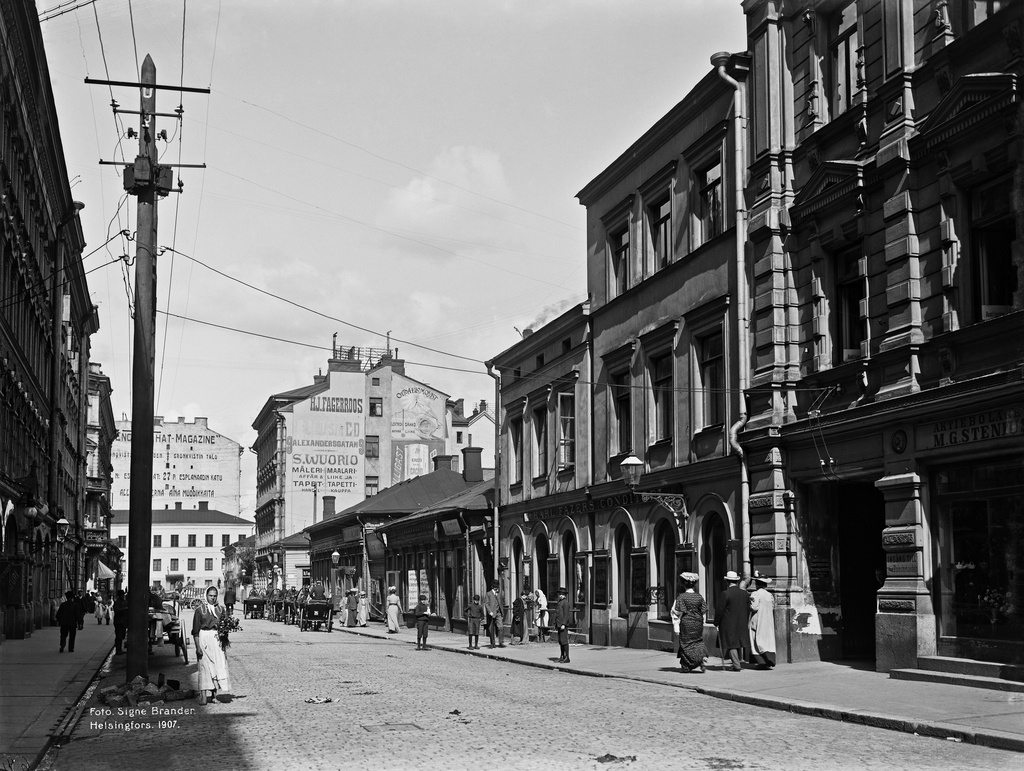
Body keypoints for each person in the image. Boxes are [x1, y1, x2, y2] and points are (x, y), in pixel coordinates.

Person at [192, 586, 231, 705]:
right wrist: (198, 647)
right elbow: (195, 631)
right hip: (204, 638)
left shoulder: (221, 609)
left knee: (217, 665)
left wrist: (224, 642)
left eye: (215, 596)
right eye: (210, 596)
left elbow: (225, 628)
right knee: (204, 667)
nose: (213, 598)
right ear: (206, 596)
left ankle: (215, 694)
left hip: (217, 640)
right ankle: (203, 695)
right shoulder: (200, 610)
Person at [671, 572, 709, 674]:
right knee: (697, 641)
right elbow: (704, 610)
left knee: (686, 644)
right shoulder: (699, 597)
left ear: (684, 584)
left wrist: (676, 626)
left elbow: (677, 611)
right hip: (697, 622)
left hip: (686, 622)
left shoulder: (681, 597)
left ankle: (686, 666)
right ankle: (701, 659)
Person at [715, 571, 751, 672]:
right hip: (741, 622)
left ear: (727, 581)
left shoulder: (725, 593)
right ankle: (737, 662)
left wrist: (716, 622)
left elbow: (720, 610)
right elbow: (748, 609)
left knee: (731, 643)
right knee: (737, 642)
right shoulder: (744, 594)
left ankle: (736, 664)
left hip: (728, 623)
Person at [748, 574, 776, 670]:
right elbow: (772, 607)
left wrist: (749, 604)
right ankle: (769, 658)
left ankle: (761, 661)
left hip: (758, 618)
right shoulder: (769, 595)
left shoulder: (756, 594)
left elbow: (754, 607)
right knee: (767, 639)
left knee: (755, 638)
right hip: (768, 620)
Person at [553, 587, 573, 663]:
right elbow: (557, 614)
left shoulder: (565, 603)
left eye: (562, 594)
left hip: (562, 625)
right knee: (560, 641)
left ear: (565, 595)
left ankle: (567, 657)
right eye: (560, 594)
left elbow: (566, 615)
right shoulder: (559, 602)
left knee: (564, 641)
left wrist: (564, 624)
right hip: (559, 624)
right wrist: (555, 623)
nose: (561, 595)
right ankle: (562, 656)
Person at [482, 580, 504, 648]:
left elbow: (501, 601)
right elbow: (486, 604)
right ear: (492, 587)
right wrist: (490, 611)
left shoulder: (499, 593)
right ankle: (492, 643)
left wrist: (498, 594)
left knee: (500, 627)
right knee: (491, 629)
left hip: (498, 613)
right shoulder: (488, 594)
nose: (496, 588)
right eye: (494, 587)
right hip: (491, 613)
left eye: (497, 587)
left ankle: (501, 642)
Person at [112, 590, 128, 655]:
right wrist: (124, 609)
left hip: (123, 621)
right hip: (118, 621)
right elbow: (116, 610)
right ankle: (118, 650)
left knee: (122, 636)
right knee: (119, 636)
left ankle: (119, 649)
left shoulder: (125, 602)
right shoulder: (117, 602)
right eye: (121, 595)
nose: (123, 596)